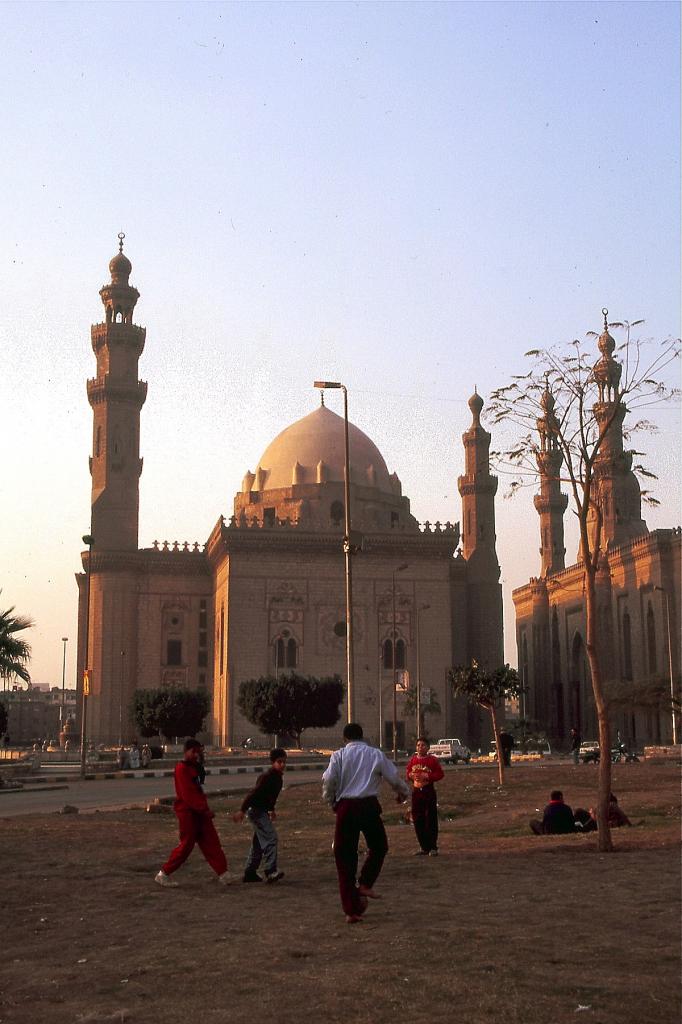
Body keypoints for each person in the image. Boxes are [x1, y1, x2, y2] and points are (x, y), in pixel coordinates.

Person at [322, 723, 409, 924]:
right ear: (362, 737)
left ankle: (351, 910)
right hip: (368, 806)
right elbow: (393, 778)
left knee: (344, 857)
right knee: (379, 847)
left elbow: (328, 780)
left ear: (345, 739)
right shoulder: (374, 754)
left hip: (346, 807)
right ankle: (366, 882)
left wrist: (332, 802)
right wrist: (403, 793)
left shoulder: (339, 756)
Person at [155, 738, 233, 887]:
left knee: (212, 842)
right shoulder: (181, 769)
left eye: (199, 752)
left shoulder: (194, 767)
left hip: (200, 813)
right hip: (188, 813)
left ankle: (223, 873)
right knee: (186, 845)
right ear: (186, 752)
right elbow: (188, 794)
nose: (197, 754)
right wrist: (204, 810)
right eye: (194, 752)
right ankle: (163, 873)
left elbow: (198, 789)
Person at [233, 747, 287, 884]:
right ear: (273, 762)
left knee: (258, 843)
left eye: (284, 762)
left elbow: (271, 798)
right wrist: (242, 810)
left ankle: (250, 873)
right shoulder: (266, 777)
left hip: (262, 811)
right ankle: (270, 871)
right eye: (279, 762)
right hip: (256, 811)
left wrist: (271, 810)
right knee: (271, 837)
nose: (282, 765)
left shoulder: (278, 779)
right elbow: (253, 795)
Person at [405, 736, 444, 856]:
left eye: (423, 745)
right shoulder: (413, 760)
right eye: (418, 745)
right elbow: (408, 773)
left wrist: (427, 776)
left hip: (428, 791)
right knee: (418, 819)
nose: (420, 747)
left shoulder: (432, 760)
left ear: (428, 747)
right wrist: (411, 775)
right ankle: (423, 847)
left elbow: (440, 774)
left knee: (430, 818)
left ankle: (433, 847)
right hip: (417, 792)